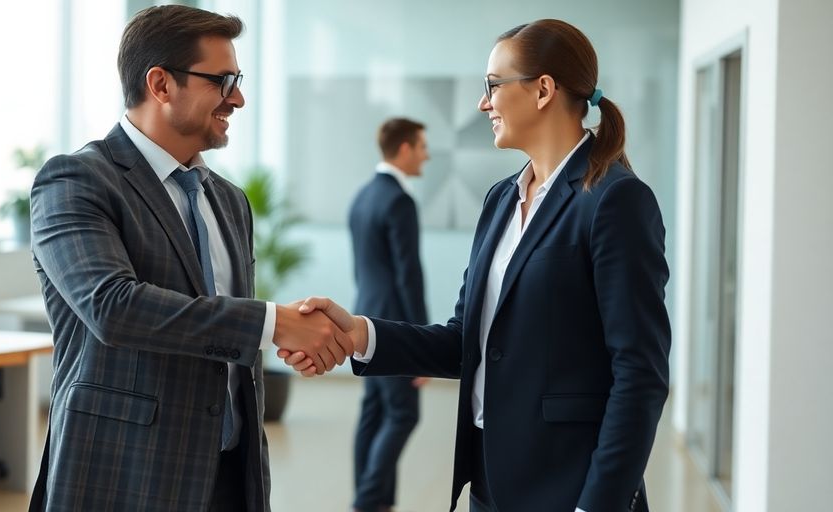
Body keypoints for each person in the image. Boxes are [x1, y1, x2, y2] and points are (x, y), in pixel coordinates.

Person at [282, 19, 670, 512]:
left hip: (570, 487)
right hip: (491, 482)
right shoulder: (501, 200)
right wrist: (358, 333)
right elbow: (466, 339)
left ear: (544, 89)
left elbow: (639, 373)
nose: (483, 103)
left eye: (492, 86)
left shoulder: (615, 200)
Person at [28, 5, 353, 511]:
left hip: (227, 472)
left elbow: (222, 336)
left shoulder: (229, 200)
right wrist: (273, 324)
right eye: (223, 81)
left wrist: (291, 336)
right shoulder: (77, 180)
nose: (238, 98)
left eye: (238, 80)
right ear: (160, 84)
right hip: (123, 475)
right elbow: (114, 308)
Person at [349, 118, 431, 512]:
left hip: (365, 317)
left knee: (375, 411)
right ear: (403, 149)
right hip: (395, 325)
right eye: (421, 147)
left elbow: (364, 270)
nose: (426, 155)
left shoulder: (363, 196)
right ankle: (367, 503)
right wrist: (423, 342)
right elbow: (408, 276)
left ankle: (376, 503)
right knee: (402, 414)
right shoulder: (400, 201)